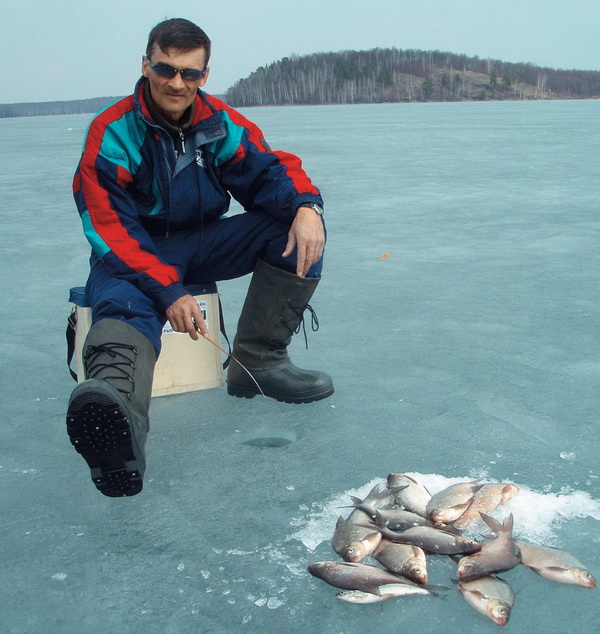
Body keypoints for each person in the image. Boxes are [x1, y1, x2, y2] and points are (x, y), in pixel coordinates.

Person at [66, 18, 333, 498]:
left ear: (204, 75)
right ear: (145, 65)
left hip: (204, 242)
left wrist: (306, 206)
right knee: (127, 302)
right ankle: (119, 421)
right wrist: (168, 290)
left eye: (190, 73)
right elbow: (109, 226)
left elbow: (269, 172)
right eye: (165, 69)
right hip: (134, 249)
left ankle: (259, 363)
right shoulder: (113, 131)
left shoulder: (219, 123)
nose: (176, 82)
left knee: (292, 231)